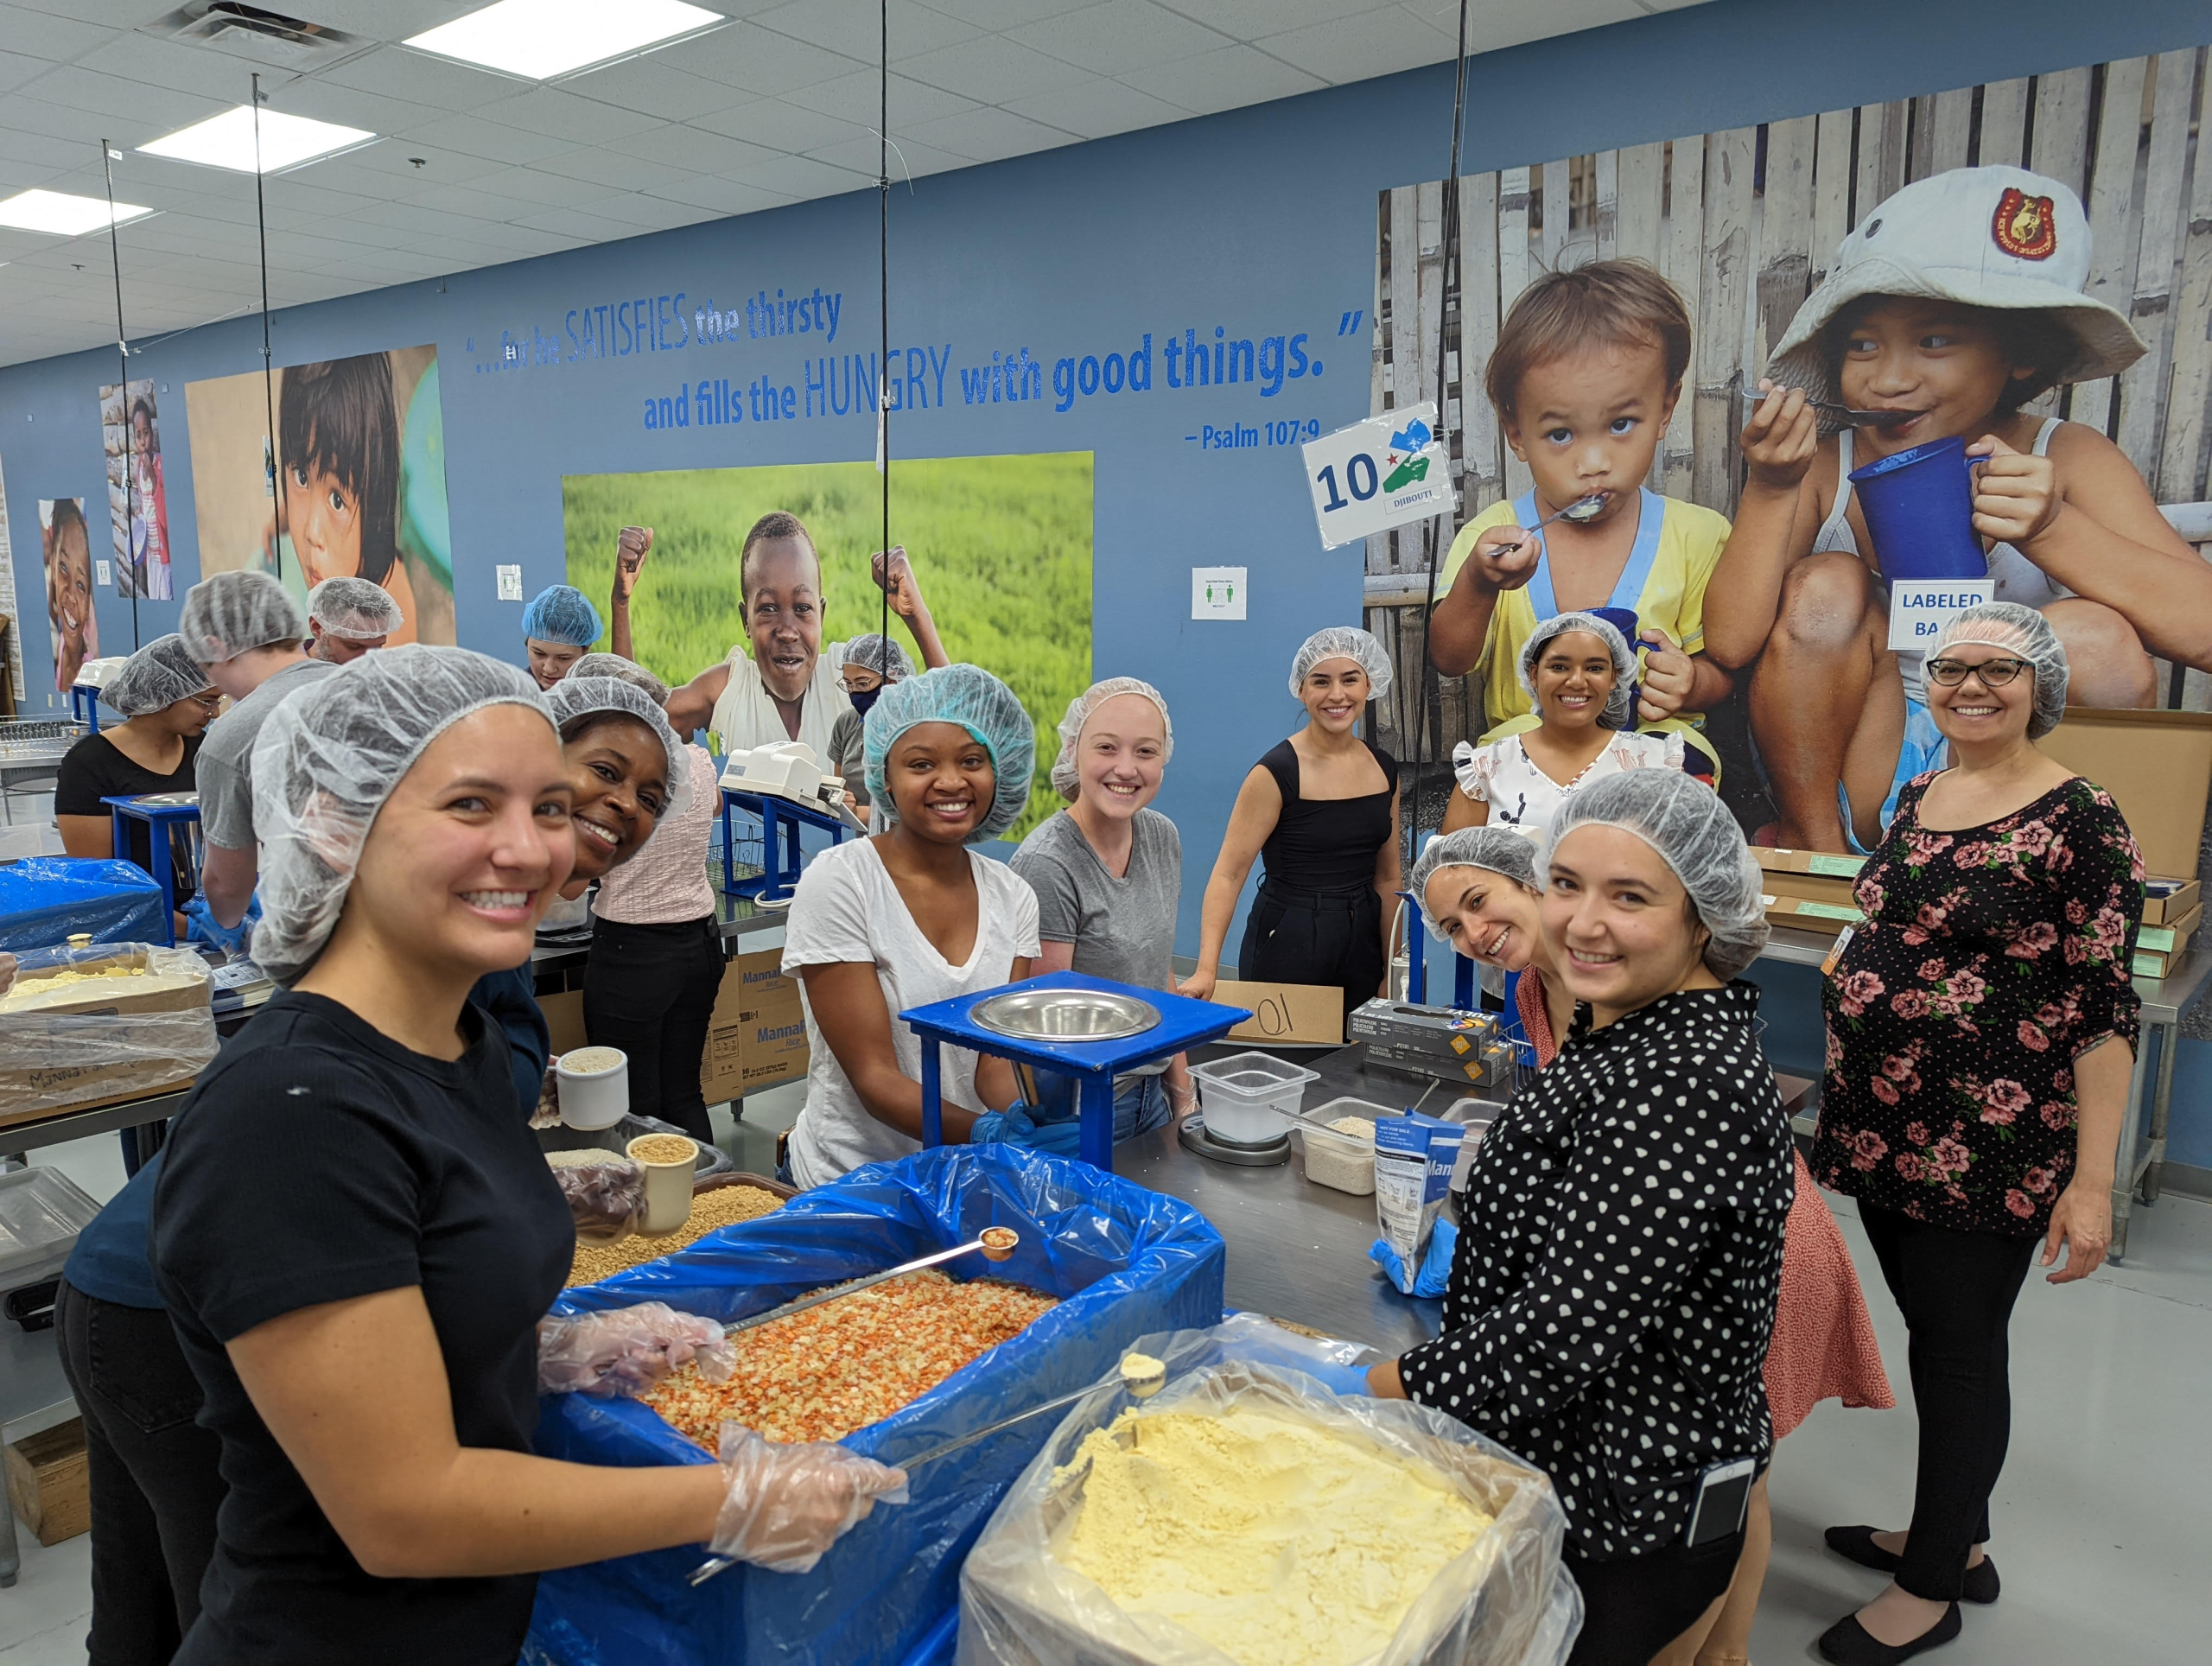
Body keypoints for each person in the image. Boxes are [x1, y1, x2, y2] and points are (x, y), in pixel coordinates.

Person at [143, 646, 903, 1665]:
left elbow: (415, 1259)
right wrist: (736, 1495)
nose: (530, 848)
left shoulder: (449, 1044)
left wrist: (537, 1343)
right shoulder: (294, 1111)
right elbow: (406, 1511)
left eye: (549, 807)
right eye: (469, 805)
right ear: (337, 820)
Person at [1414, 823, 1894, 1666]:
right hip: (1651, 1235)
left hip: (1752, 1249)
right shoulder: (1539, 988)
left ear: (1527, 880)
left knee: (1732, 1469)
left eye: (1478, 901)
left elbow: (1653, 1162)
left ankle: (1724, 1651)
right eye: (1451, 927)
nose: (1474, 932)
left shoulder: (1666, 1028)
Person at [1372, 772, 1792, 1666]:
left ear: (1702, 915)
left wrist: (1383, 1386)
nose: (1581, 921)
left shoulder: (1684, 1078)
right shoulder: (1632, 1024)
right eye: (1565, 883)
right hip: (1579, 1468)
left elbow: (1565, 1329)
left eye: (1629, 895)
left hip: (1631, 1504)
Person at [1808, 603, 2140, 1664]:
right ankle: (1963, 1538)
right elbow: (1895, 918)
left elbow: (2100, 1006)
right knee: (1934, 1332)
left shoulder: (2081, 815)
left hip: (1985, 1139)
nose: (1971, 686)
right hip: (1883, 1120)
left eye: (2000, 670)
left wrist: (2092, 1185)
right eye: (1952, 667)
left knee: (1957, 1351)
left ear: (2040, 686)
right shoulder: (1924, 790)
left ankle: (1928, 1587)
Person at [1712, 164, 2203, 854]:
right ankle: (1815, 852)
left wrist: (2055, 529)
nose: (1888, 378)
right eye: (1862, 344)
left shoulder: (2071, 455)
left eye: (1935, 341)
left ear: (2022, 354)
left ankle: (2058, 866)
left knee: (2095, 638)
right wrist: (1771, 487)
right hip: (1862, 770)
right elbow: (1731, 643)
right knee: (1826, 584)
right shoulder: (1829, 463)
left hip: (2019, 796)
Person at [1427, 261, 1732, 775]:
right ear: (1516, 433)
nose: (1593, 463)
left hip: (1652, 758)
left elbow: (1725, 667)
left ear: (1665, 408)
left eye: (1620, 424)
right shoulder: (1491, 538)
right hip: (1529, 759)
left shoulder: (1698, 536)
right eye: (1561, 434)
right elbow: (1450, 661)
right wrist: (1479, 584)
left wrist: (1691, 683)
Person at [781, 664, 1058, 1188]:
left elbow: (994, 1062)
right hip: (852, 1182)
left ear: (1000, 770)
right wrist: (987, 1133)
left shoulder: (1012, 895)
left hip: (960, 1181)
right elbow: (875, 1077)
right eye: (922, 763)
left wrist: (1036, 1114)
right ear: (886, 775)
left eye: (973, 761)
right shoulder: (843, 883)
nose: (951, 781)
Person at [1182, 627, 1402, 1025]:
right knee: (1289, 1064)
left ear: (1369, 685)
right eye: (1321, 681)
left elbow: (1388, 878)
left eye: (1350, 679)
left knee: (1360, 1066)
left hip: (1363, 941)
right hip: (1289, 938)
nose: (1337, 695)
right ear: (1301, 690)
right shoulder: (1276, 772)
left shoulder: (1385, 769)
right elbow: (1229, 874)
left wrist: (1391, 967)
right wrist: (1206, 968)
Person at [1011, 677, 1195, 1141]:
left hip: (1151, 1093)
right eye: (1107, 748)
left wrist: (1182, 1094)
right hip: (1088, 1109)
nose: (1126, 768)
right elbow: (1047, 1033)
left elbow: (1157, 975)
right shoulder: (1048, 864)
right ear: (1074, 751)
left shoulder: (1161, 837)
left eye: (1146, 752)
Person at [554, 664, 724, 1142]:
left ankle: (648, 1212)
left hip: (635, 955)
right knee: (685, 1092)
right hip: (701, 945)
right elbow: (715, 808)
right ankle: (702, 1201)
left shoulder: (615, 789)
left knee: (634, 1102)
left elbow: (569, 887)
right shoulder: (698, 762)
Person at [614, 517, 948, 748]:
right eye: (768, 609)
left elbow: (951, 727)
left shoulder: (850, 679)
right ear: (746, 620)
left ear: (822, 614)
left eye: (803, 609)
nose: (787, 632)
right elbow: (633, 729)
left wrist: (915, 614)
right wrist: (621, 603)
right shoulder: (729, 689)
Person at [180, 571, 338, 930]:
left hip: (340, 937)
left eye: (208, 669)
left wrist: (232, 925)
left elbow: (226, 885)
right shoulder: (370, 687)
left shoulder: (233, 737)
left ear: (217, 648)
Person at [1442, 611, 1683, 840]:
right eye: (1559, 667)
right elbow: (1449, 871)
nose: (1577, 681)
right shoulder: (1485, 770)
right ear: (1533, 675)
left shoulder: (1654, 762)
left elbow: (1682, 865)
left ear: (1613, 678)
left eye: (1595, 668)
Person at [54, 635, 219, 912]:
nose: (213, 714)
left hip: (209, 910)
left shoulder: (203, 749)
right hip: (136, 920)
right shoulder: (90, 763)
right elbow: (97, 880)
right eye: (206, 701)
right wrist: (183, 926)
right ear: (164, 694)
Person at [261, 355, 417, 643]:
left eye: (337, 500)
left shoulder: (390, 622)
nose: (311, 533)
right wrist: (281, 516)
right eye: (302, 477)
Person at [830, 632, 915, 821]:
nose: (854, 693)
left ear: (892, 678)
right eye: (848, 684)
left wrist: (858, 813)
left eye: (862, 683)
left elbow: (916, 812)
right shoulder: (847, 723)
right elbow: (839, 791)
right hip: (860, 842)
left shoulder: (914, 730)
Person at [46, 496, 97, 692]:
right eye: (64, 568)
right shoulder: (63, 646)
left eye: (81, 585)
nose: (72, 595)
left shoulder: (91, 665)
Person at [129, 397, 172, 601]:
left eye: (146, 433)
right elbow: (145, 506)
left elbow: (164, 518)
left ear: (152, 434)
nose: (143, 440)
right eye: (138, 435)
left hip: (164, 557)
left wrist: (154, 478)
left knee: (167, 596)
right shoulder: (138, 468)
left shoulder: (160, 465)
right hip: (151, 558)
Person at [519, 584, 602, 690]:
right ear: (528, 645)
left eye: (563, 658)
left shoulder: (598, 693)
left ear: (586, 650)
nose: (549, 669)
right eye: (539, 654)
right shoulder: (512, 696)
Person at [306, 575, 404, 664]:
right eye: (354, 647)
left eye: (377, 647)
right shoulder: (291, 673)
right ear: (317, 627)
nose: (368, 661)